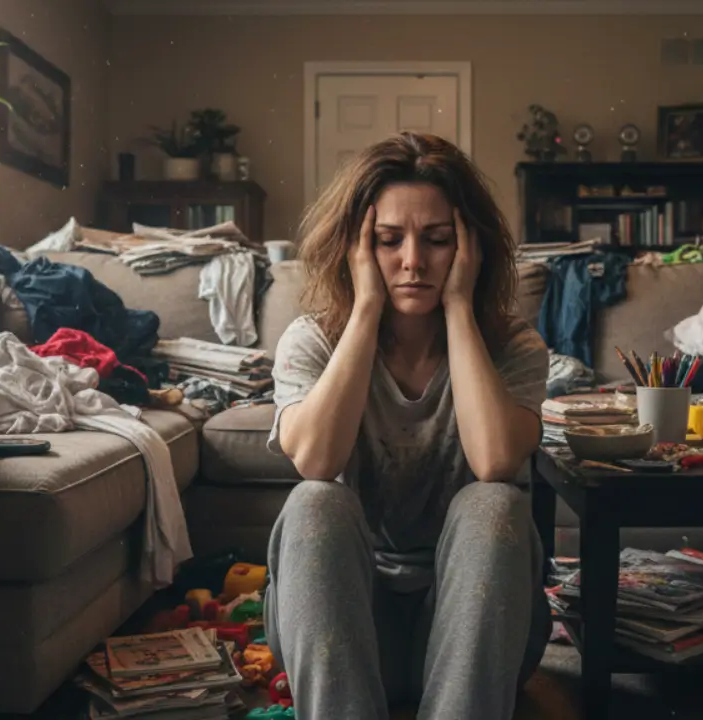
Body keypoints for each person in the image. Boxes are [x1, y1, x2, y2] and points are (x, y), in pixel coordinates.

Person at [264, 131, 551, 720]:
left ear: (470, 247)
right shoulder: (311, 340)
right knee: (315, 502)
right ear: (356, 248)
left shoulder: (514, 346)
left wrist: (458, 310)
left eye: (438, 240)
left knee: (494, 503)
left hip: (473, 640)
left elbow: (496, 461)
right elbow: (315, 460)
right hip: (349, 636)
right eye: (388, 241)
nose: (414, 261)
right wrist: (367, 308)